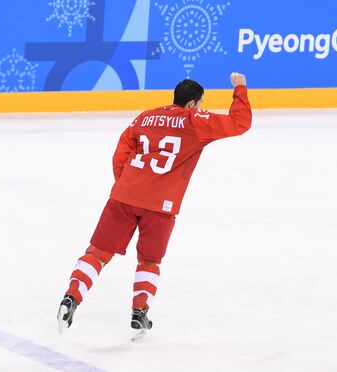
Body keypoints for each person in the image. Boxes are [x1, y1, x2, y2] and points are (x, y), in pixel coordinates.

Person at [57, 72, 252, 337]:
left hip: (124, 196)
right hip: (161, 206)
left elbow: (122, 150)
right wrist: (240, 88)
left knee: (97, 253)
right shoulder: (195, 120)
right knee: (149, 260)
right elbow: (240, 123)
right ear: (193, 104)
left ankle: (71, 297)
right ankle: (140, 312)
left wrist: (126, 184)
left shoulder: (145, 116)